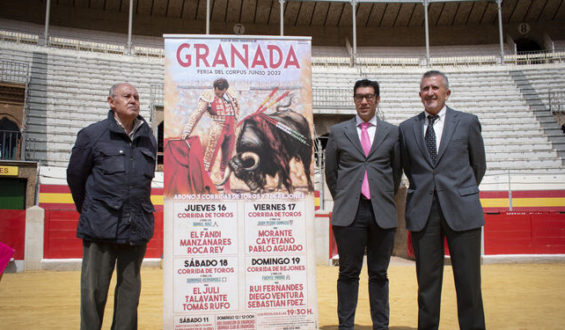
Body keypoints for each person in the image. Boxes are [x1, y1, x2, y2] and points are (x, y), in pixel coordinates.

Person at [399, 70, 487, 330]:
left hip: (462, 209)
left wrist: (459, 192)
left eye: (435, 88)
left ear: (446, 93)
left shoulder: (468, 122)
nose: (430, 93)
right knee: (427, 284)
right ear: (419, 94)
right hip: (423, 212)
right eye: (425, 88)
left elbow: (478, 165)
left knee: (469, 283)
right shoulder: (407, 128)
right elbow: (407, 167)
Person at [67, 82, 157, 330]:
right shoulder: (92, 135)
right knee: (93, 293)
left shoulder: (148, 138)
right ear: (111, 102)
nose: (133, 100)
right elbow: (75, 176)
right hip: (100, 225)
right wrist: (91, 210)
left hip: (136, 225)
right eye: (126, 96)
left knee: (130, 292)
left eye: (136, 97)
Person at [325, 79, 402, 329]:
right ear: (354, 99)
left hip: (382, 211)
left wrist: (381, 196)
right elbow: (330, 173)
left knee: (379, 275)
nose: (364, 101)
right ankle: (345, 326)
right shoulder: (338, 132)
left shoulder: (392, 132)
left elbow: (396, 171)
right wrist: (346, 197)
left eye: (369, 96)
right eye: (359, 96)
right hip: (350, 212)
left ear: (377, 99)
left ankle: (381, 326)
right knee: (348, 273)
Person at [182, 78, 240, 191]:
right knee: (210, 157)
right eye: (218, 92)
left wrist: (235, 122)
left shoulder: (231, 94)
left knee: (228, 159)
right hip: (218, 127)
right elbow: (197, 113)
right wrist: (187, 130)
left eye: (222, 92)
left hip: (231, 129)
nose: (220, 94)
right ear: (214, 88)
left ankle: (226, 187)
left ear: (226, 89)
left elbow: (237, 109)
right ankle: (204, 186)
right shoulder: (208, 95)